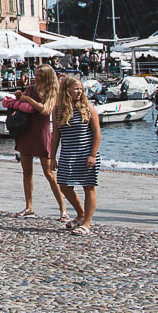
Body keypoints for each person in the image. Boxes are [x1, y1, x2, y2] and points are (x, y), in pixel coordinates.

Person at [2, 65, 68, 221]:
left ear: (47, 77)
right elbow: (23, 103)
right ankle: (29, 206)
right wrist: (20, 96)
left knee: (49, 173)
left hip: (41, 132)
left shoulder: (52, 91)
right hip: (26, 130)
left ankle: (63, 209)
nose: (35, 78)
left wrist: (26, 99)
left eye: (39, 75)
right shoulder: (31, 88)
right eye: (35, 75)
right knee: (26, 171)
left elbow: (45, 110)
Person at [50, 75, 102, 236]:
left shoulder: (88, 107)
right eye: (76, 89)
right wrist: (52, 157)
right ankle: (81, 214)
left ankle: (87, 223)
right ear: (67, 90)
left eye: (81, 89)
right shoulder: (58, 109)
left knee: (88, 186)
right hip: (68, 153)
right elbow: (56, 135)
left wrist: (93, 154)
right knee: (64, 185)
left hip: (86, 152)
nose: (79, 92)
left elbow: (97, 133)